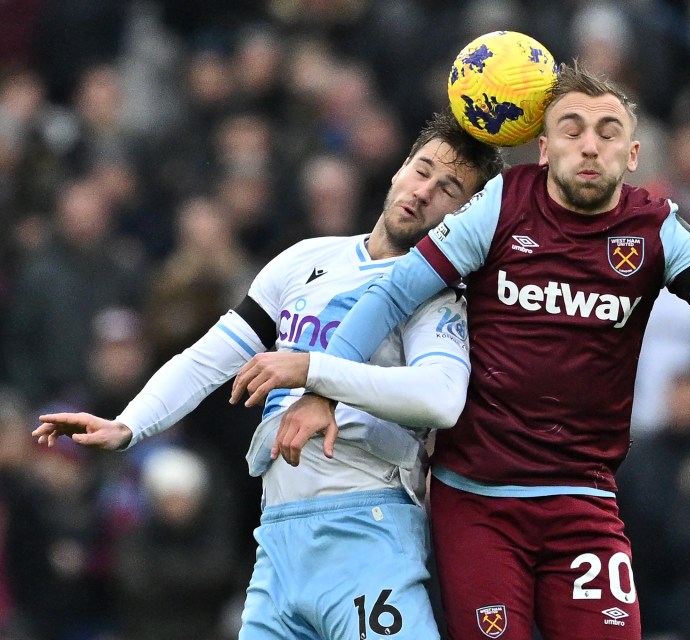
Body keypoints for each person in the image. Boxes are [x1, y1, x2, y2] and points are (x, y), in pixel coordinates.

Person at [234, 63, 690, 639]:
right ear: (545, 150)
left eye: (608, 132)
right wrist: (321, 390)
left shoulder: (654, 230)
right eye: (573, 130)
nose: (591, 145)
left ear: (633, 154)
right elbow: (391, 294)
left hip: (583, 497)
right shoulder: (500, 205)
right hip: (479, 500)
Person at [32, 110, 504, 640]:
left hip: (367, 532)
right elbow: (207, 358)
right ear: (399, 169)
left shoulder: (436, 296)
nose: (424, 191)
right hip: (277, 542)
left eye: (449, 189)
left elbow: (441, 399)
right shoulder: (304, 260)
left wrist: (315, 370)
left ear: (463, 216)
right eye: (423, 170)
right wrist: (129, 425)